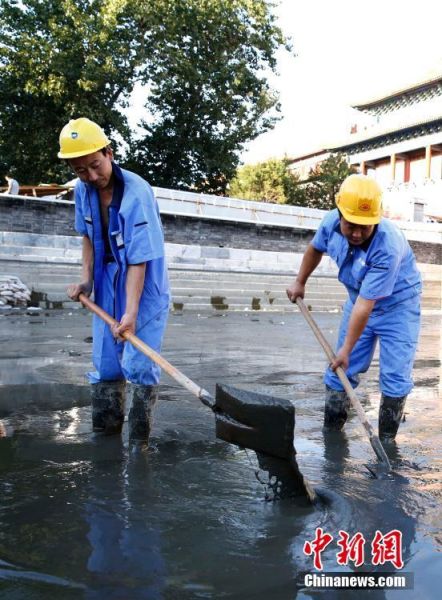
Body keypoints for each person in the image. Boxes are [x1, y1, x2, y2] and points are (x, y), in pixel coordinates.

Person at [58, 117, 170, 443]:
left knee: (138, 362)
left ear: (109, 152)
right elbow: (89, 237)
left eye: (95, 165)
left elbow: (138, 260)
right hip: (107, 278)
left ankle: (139, 446)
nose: (92, 177)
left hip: (144, 282)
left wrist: (132, 313)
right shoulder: (83, 190)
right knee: (106, 362)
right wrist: (86, 281)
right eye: (81, 170)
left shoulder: (137, 193)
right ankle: (105, 442)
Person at [286, 174, 422, 441]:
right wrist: (300, 282)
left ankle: (386, 441)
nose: (358, 233)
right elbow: (315, 249)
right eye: (351, 226)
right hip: (357, 299)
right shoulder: (330, 223)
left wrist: (346, 350)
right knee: (339, 370)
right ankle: (331, 436)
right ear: (339, 215)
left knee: (394, 376)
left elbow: (366, 306)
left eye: (365, 227)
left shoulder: (388, 246)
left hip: (398, 307)